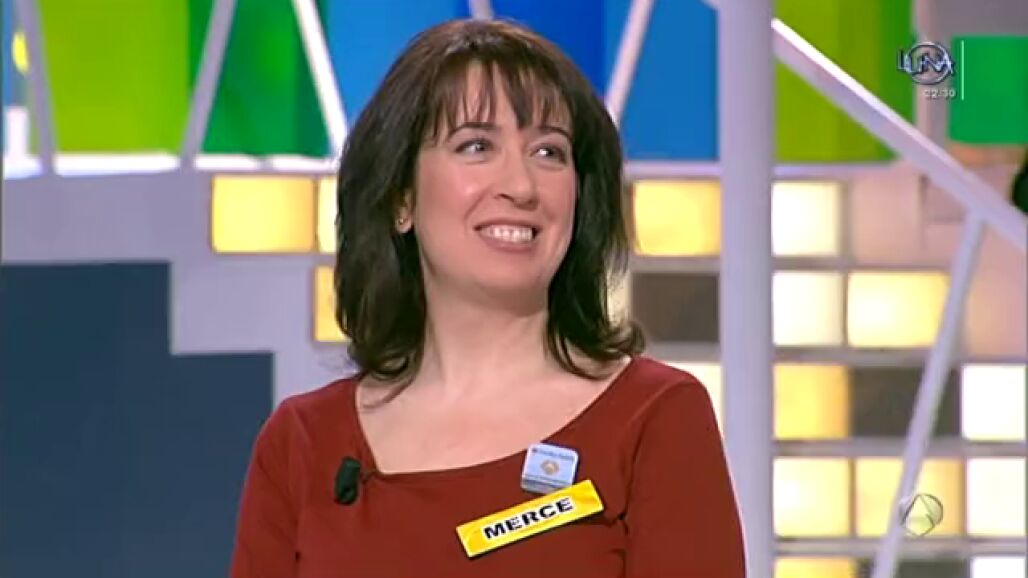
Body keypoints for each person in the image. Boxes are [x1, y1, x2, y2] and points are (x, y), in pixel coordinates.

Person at [229, 18, 745, 578]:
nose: (521, 186)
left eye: (549, 152)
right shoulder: (303, 443)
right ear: (401, 198)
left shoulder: (654, 418)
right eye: (476, 146)